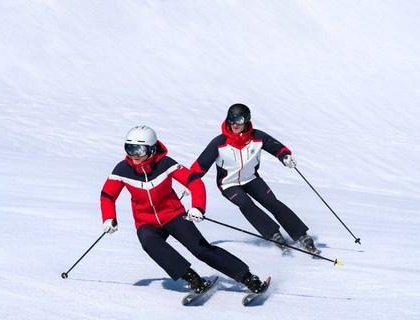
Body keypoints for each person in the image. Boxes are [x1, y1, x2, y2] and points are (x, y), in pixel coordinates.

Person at [100, 125, 268, 294]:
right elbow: (107, 195)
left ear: (151, 149)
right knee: (149, 243)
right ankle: (193, 280)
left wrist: (197, 207)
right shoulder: (122, 170)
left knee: (200, 249)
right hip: (145, 221)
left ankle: (247, 278)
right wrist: (108, 217)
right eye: (129, 148)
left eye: (139, 150)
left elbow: (194, 182)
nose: (134, 155)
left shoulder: (165, 164)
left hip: (173, 215)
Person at [190, 103, 320, 255]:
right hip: (228, 184)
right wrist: (190, 182)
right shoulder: (219, 143)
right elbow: (200, 165)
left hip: (251, 179)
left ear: (246, 120)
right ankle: (273, 234)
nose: (234, 123)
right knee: (246, 204)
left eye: (238, 119)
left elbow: (276, 147)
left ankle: (301, 235)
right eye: (231, 119)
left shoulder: (257, 137)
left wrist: (285, 156)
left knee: (272, 202)